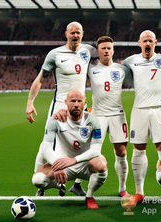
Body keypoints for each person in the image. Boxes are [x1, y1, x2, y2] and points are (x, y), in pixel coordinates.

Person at [55, 36, 134, 198]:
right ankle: (76, 184)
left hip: (117, 115)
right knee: (87, 149)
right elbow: (76, 58)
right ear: (97, 51)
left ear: (113, 51)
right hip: (97, 116)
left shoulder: (122, 69)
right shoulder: (91, 67)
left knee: (121, 152)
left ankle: (122, 188)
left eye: (109, 48)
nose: (106, 51)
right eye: (103, 48)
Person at [26, 21, 97, 197]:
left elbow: (99, 72)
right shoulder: (55, 54)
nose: (75, 36)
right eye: (72, 33)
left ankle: (77, 184)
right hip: (59, 105)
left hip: (81, 107)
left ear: (82, 33)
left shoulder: (88, 51)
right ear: (66, 34)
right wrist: (30, 102)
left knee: (84, 142)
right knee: (47, 143)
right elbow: (40, 79)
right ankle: (41, 185)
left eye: (78, 32)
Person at [120, 30, 161, 206]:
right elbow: (120, 71)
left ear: (155, 43)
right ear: (139, 43)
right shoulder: (131, 61)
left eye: (150, 41)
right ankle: (139, 192)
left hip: (159, 109)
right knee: (138, 149)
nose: (147, 43)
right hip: (139, 110)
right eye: (144, 41)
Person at [31, 89, 107, 209]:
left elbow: (96, 150)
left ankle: (89, 196)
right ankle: (59, 186)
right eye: (72, 101)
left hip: (85, 165)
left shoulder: (92, 121)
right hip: (62, 165)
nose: (76, 104)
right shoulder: (56, 120)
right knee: (38, 180)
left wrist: (73, 160)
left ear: (85, 103)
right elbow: (45, 147)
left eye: (79, 101)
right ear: (66, 102)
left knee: (101, 165)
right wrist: (57, 165)